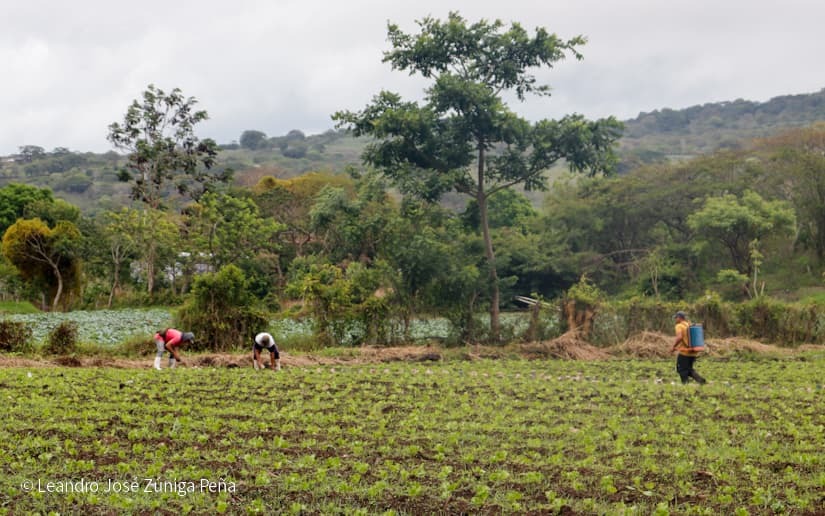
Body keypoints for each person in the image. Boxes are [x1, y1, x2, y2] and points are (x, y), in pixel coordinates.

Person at [671, 311, 706, 384]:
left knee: (681, 369)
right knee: (688, 369)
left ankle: (685, 384)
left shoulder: (679, 326)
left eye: (676, 318)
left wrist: (673, 347)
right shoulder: (688, 325)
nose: (675, 320)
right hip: (693, 352)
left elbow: (679, 337)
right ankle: (701, 380)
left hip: (685, 352)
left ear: (679, 318)